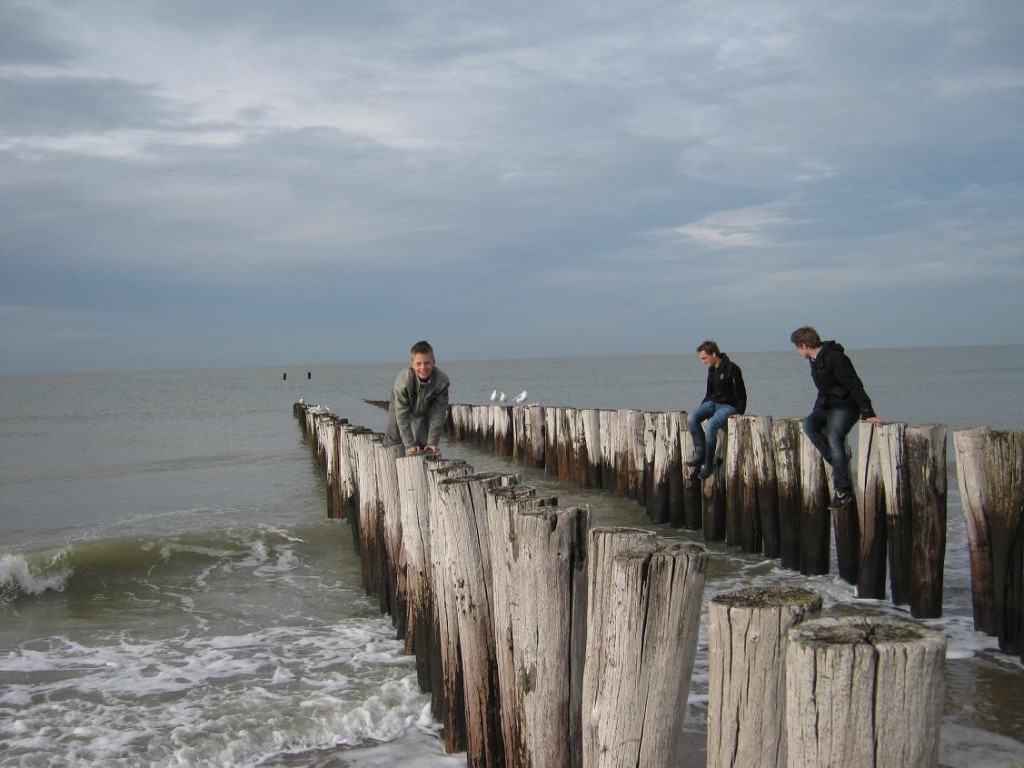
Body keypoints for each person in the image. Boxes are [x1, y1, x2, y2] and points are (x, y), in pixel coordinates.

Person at [790, 326, 881, 509]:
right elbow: (823, 390)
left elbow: (853, 382)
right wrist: (816, 411)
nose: (796, 351)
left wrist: (867, 410)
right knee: (809, 425)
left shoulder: (835, 357)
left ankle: (843, 490)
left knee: (833, 437)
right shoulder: (814, 361)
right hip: (828, 406)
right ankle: (836, 460)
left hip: (847, 407)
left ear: (804, 345)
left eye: (797, 347)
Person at [685, 340, 747, 480]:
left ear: (713, 354)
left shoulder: (732, 369)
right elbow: (709, 393)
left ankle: (708, 464)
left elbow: (741, 393)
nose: (703, 362)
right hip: (713, 402)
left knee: (711, 425)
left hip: (728, 406)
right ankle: (700, 454)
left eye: (704, 358)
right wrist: (703, 407)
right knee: (692, 417)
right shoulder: (711, 370)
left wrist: (739, 411)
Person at [385, 340, 451, 455]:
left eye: (427, 363)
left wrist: (433, 442)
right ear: (412, 364)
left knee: (425, 445)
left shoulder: (442, 382)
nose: (423, 367)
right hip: (401, 405)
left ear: (434, 362)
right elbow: (402, 415)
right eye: (418, 364)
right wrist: (409, 444)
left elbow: (439, 414)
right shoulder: (403, 381)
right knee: (393, 439)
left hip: (426, 407)